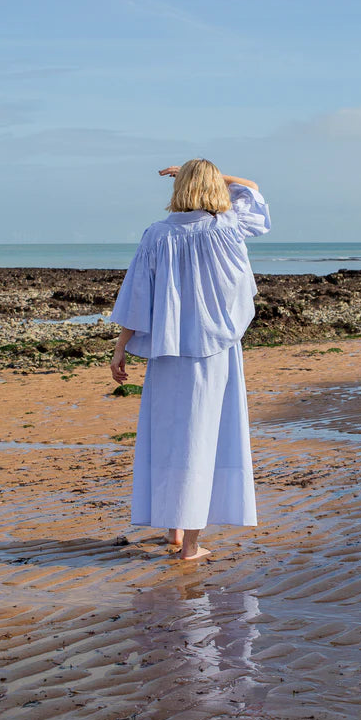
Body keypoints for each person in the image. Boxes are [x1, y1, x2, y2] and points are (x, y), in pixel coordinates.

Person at [109, 159, 271, 560]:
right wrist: (216, 175)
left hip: (167, 352)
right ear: (215, 187)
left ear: (177, 188)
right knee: (202, 440)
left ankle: (175, 532)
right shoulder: (228, 228)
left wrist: (120, 346)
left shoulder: (156, 235)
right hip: (214, 352)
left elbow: (137, 296)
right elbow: (251, 189)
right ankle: (190, 546)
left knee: (170, 438)